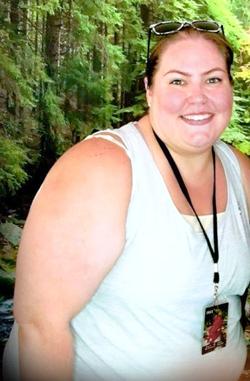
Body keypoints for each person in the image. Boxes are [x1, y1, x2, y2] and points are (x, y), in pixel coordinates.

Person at [3, 20, 250, 381]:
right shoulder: (103, 168)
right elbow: (39, 326)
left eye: (213, 79)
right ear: (150, 90)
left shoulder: (238, 170)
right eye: (177, 81)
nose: (197, 98)